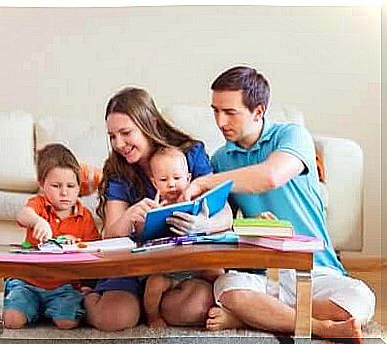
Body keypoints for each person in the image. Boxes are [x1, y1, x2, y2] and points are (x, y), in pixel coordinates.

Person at [180, 66, 375, 340]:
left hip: (315, 268)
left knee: (360, 300)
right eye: (215, 110)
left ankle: (258, 316)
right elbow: (224, 222)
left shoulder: (292, 136)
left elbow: (270, 176)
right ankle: (319, 326)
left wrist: (202, 183)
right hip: (264, 279)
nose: (220, 121)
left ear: (258, 112)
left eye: (230, 112)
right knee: (226, 287)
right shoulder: (221, 159)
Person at [83, 87, 231, 331]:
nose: (118, 144)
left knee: (197, 308)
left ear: (150, 123)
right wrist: (130, 215)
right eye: (112, 136)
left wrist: (205, 225)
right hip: (132, 266)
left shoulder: (189, 154)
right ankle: (86, 295)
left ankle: (147, 305)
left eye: (125, 133)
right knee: (115, 318)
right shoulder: (118, 169)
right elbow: (109, 235)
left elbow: (224, 212)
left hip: (179, 267)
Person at [3, 143, 100, 330]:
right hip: (28, 283)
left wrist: (89, 286)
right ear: (42, 184)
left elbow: (95, 252)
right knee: (13, 320)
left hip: (65, 287)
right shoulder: (38, 205)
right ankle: (29, 307)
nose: (64, 192)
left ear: (79, 186)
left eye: (71, 186)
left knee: (67, 323)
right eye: (56, 186)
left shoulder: (85, 216)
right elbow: (23, 215)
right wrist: (38, 222)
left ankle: (43, 309)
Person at [144, 146, 227, 327]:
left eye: (177, 178)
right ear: (154, 183)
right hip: (169, 271)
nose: (171, 184)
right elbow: (144, 236)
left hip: (196, 265)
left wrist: (205, 223)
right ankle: (153, 317)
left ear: (188, 179)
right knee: (154, 285)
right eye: (164, 180)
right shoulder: (154, 208)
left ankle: (226, 308)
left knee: (218, 272)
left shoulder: (195, 204)